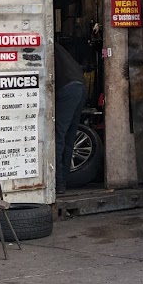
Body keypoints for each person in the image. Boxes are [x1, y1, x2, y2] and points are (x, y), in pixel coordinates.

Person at [54, 42, 87, 195]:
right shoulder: (57, 47)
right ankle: (62, 182)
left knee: (57, 137)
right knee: (68, 138)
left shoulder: (46, 44)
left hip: (66, 88)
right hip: (79, 85)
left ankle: (58, 182)